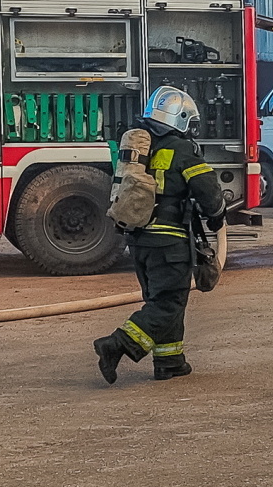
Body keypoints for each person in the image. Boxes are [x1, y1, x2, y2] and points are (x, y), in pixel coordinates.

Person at [93, 85, 226, 385]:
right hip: (169, 242)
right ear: (180, 118)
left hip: (139, 240)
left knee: (161, 300)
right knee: (169, 303)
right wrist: (218, 216)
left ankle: (169, 361)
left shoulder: (141, 147)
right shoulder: (182, 149)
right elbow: (207, 190)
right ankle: (115, 345)